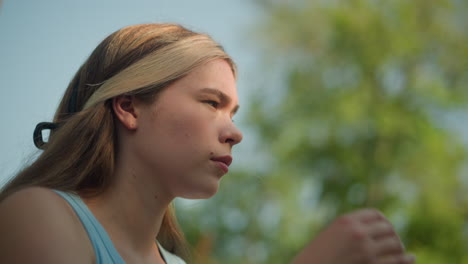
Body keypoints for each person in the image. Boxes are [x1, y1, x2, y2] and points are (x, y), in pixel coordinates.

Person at [0, 23, 415, 264]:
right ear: (128, 106)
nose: (234, 132)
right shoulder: (36, 214)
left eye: (233, 113)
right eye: (211, 103)